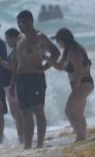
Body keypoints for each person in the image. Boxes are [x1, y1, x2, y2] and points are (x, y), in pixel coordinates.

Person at [12, 10, 60, 149]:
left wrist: (45, 67)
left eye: (23, 22)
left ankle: (39, 144)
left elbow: (55, 52)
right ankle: (27, 145)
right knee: (25, 113)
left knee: (38, 110)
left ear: (31, 21)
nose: (21, 25)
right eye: (19, 23)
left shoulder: (39, 36)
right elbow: (17, 60)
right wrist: (13, 80)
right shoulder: (19, 37)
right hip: (22, 79)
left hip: (35, 77)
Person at [49, 28, 93, 142]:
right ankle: (82, 137)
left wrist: (75, 89)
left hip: (83, 83)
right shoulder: (68, 51)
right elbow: (59, 67)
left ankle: (80, 137)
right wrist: (46, 58)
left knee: (69, 111)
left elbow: (78, 72)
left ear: (64, 40)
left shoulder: (75, 51)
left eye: (58, 41)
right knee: (78, 113)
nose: (57, 43)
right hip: (81, 84)